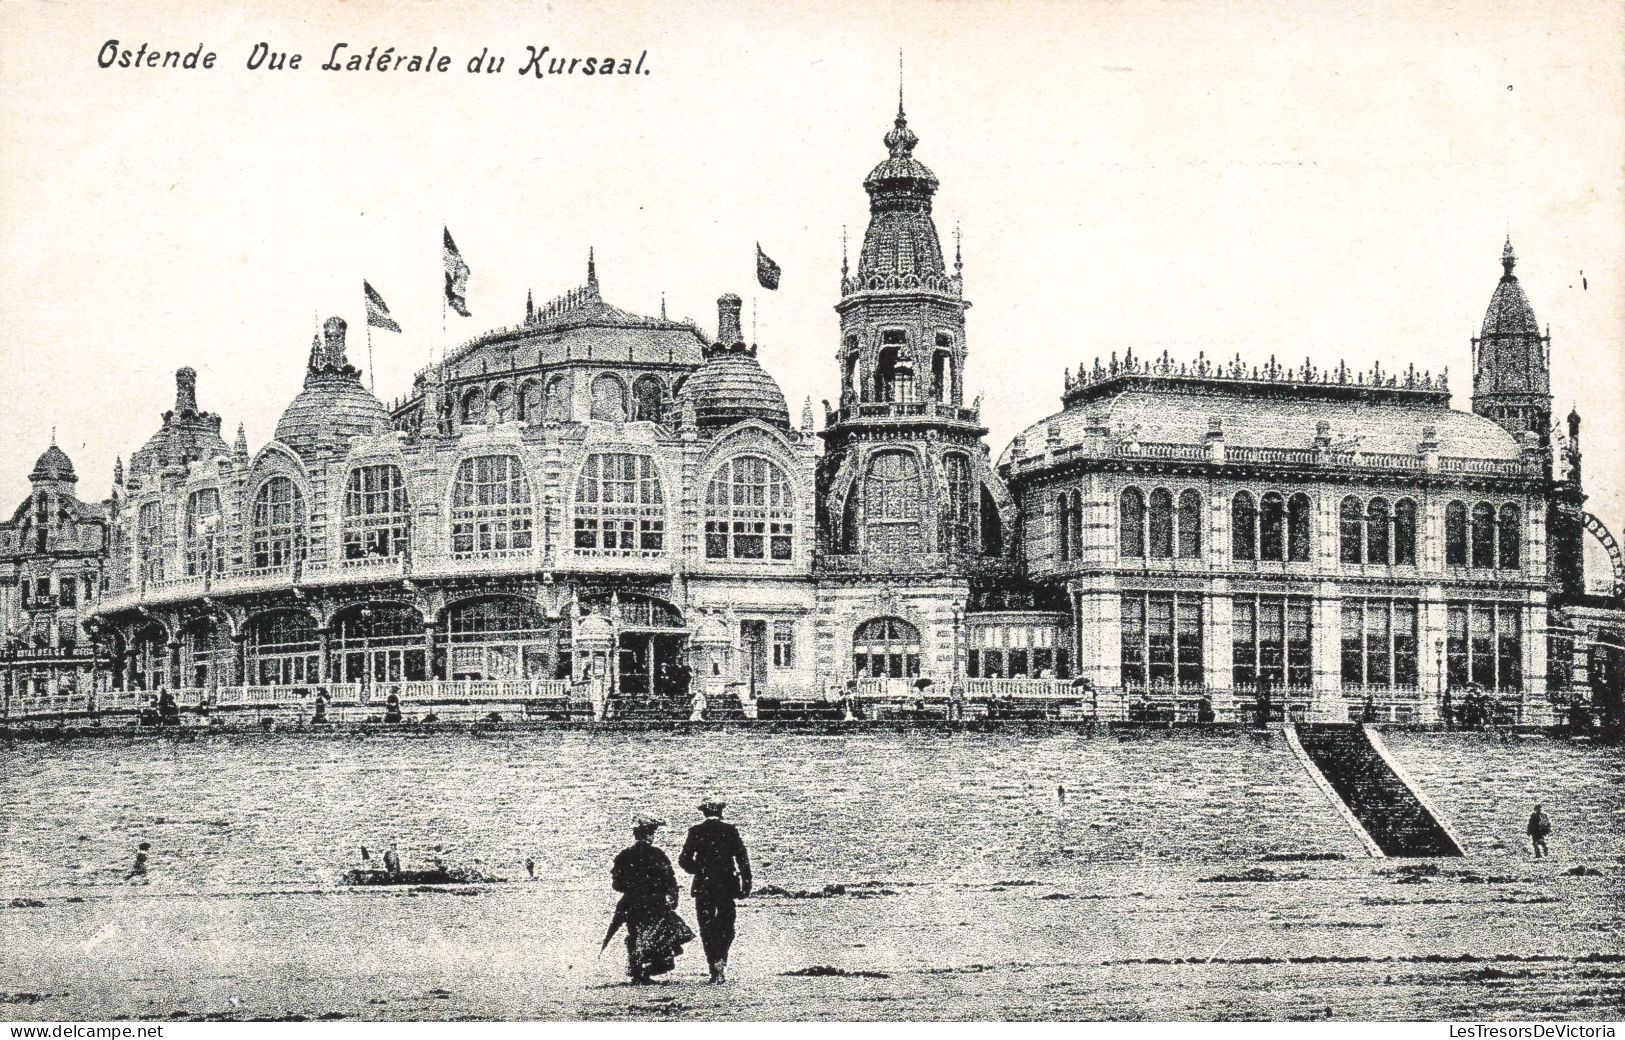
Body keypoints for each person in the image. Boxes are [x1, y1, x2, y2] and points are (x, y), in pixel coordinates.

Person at [678, 799, 752, 984]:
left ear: (703, 813)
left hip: (704, 885)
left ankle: (714, 966)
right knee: (727, 926)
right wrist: (746, 883)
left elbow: (684, 860)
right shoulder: (730, 830)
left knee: (707, 927)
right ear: (721, 813)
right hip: (727, 886)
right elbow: (742, 858)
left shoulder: (695, 831)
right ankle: (721, 962)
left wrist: (700, 870)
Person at [611, 815, 687, 983]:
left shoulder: (624, 855)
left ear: (635, 835)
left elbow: (617, 885)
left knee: (635, 935)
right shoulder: (658, 854)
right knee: (659, 938)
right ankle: (647, 971)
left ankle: (637, 973)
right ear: (650, 835)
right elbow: (670, 881)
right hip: (655, 904)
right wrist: (673, 899)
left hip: (631, 903)